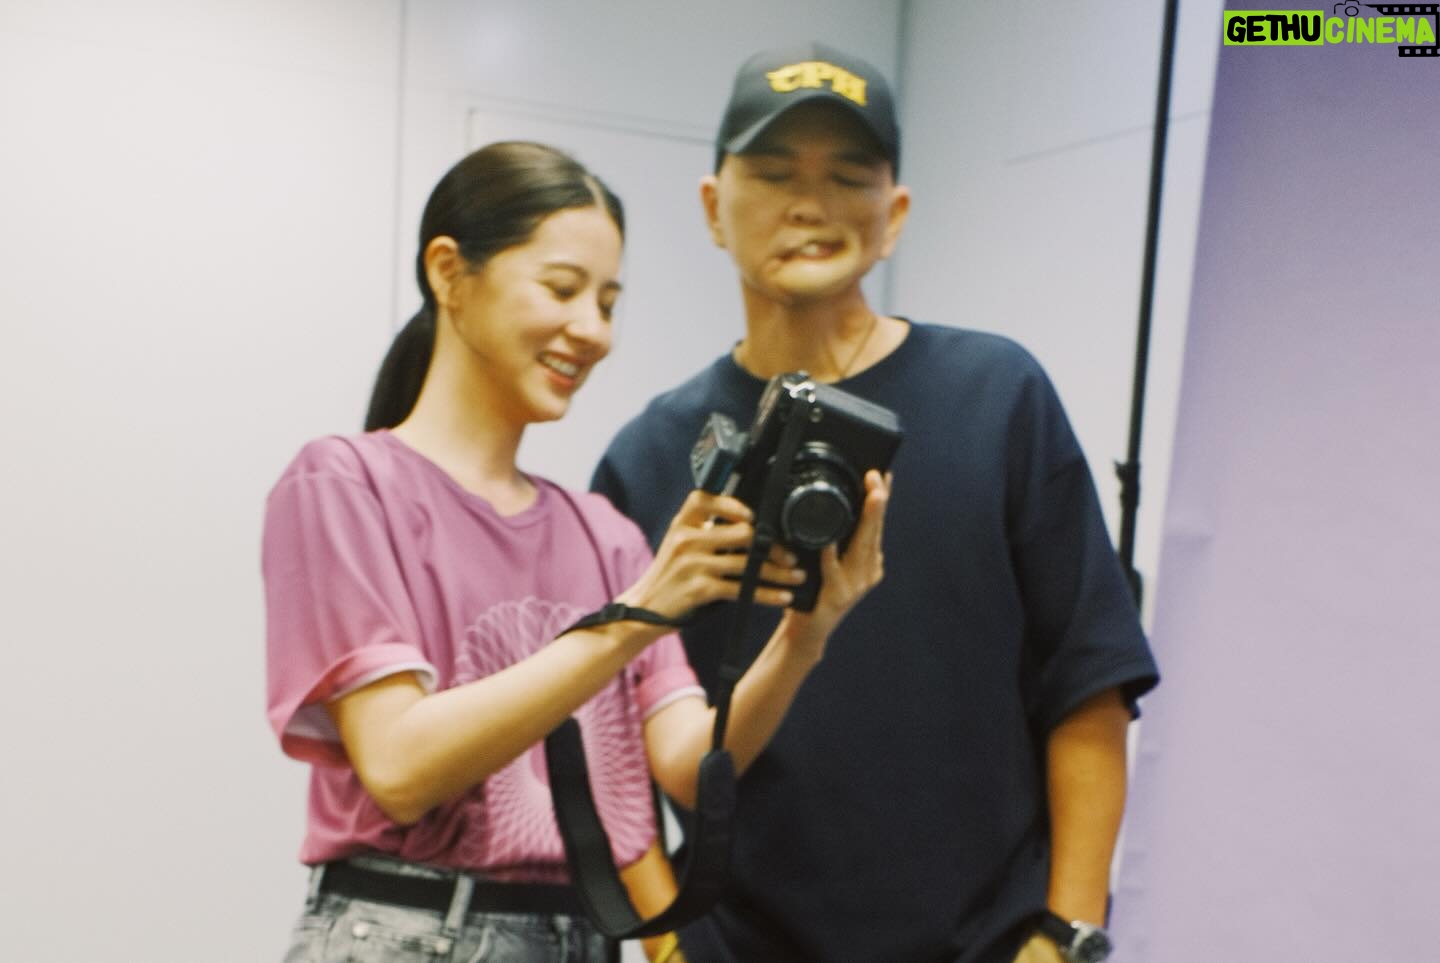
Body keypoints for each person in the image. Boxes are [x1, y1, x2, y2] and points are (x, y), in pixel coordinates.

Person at [591, 44, 1160, 963]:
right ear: (712, 207)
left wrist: (1064, 933)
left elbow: (1089, 683)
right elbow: (605, 738)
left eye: (848, 176)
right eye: (774, 173)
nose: (809, 204)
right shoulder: (652, 454)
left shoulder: (997, 398)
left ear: (893, 215)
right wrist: (667, 946)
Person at [261, 140, 890, 963]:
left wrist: (805, 635)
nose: (592, 330)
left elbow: (687, 765)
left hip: (580, 935)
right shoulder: (345, 483)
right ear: (448, 272)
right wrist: (635, 617)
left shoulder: (605, 533)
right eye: (562, 290)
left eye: (607, 301)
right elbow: (401, 765)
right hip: (406, 929)